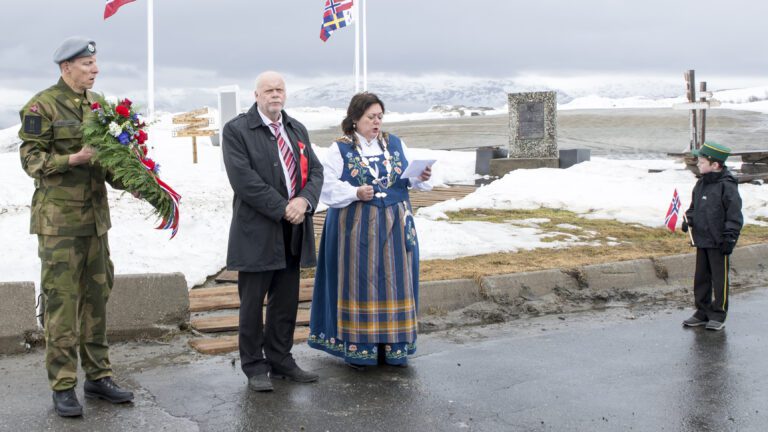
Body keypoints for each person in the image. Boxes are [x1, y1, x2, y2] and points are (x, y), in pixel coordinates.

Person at [18, 36, 134, 418]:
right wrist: (74, 158)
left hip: (96, 224)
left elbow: (108, 162)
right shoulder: (42, 105)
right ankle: (64, 384)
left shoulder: (99, 107)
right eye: (87, 64)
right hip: (60, 226)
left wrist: (135, 175)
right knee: (62, 305)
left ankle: (98, 377)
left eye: (96, 63)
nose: (95, 70)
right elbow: (32, 160)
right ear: (66, 67)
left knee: (97, 301)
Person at [308, 92, 432, 369]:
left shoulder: (395, 143)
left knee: (395, 282)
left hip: (395, 226)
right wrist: (354, 191)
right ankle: (360, 348)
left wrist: (420, 176)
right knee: (359, 283)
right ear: (355, 119)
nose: (376, 123)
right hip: (355, 228)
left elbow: (406, 178)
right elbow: (326, 188)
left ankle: (394, 346)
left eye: (379, 117)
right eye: (370, 117)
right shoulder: (339, 149)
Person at [222, 71, 323, 392]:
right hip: (257, 231)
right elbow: (243, 180)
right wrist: (284, 207)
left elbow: (316, 172)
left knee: (286, 300)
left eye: (279, 89)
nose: (275, 95)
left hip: (293, 230)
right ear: (256, 94)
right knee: (252, 303)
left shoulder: (296, 129)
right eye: (268, 90)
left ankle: (281, 359)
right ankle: (254, 366)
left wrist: (305, 200)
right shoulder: (237, 130)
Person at [681, 141, 743, 331]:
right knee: (701, 278)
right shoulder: (700, 184)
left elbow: (734, 215)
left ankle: (718, 313)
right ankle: (702, 311)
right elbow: (694, 208)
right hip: (702, 239)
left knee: (719, 279)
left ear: (715, 165)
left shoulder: (727, 187)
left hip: (719, 242)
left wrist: (730, 238)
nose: (698, 164)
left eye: (701, 161)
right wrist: (688, 220)